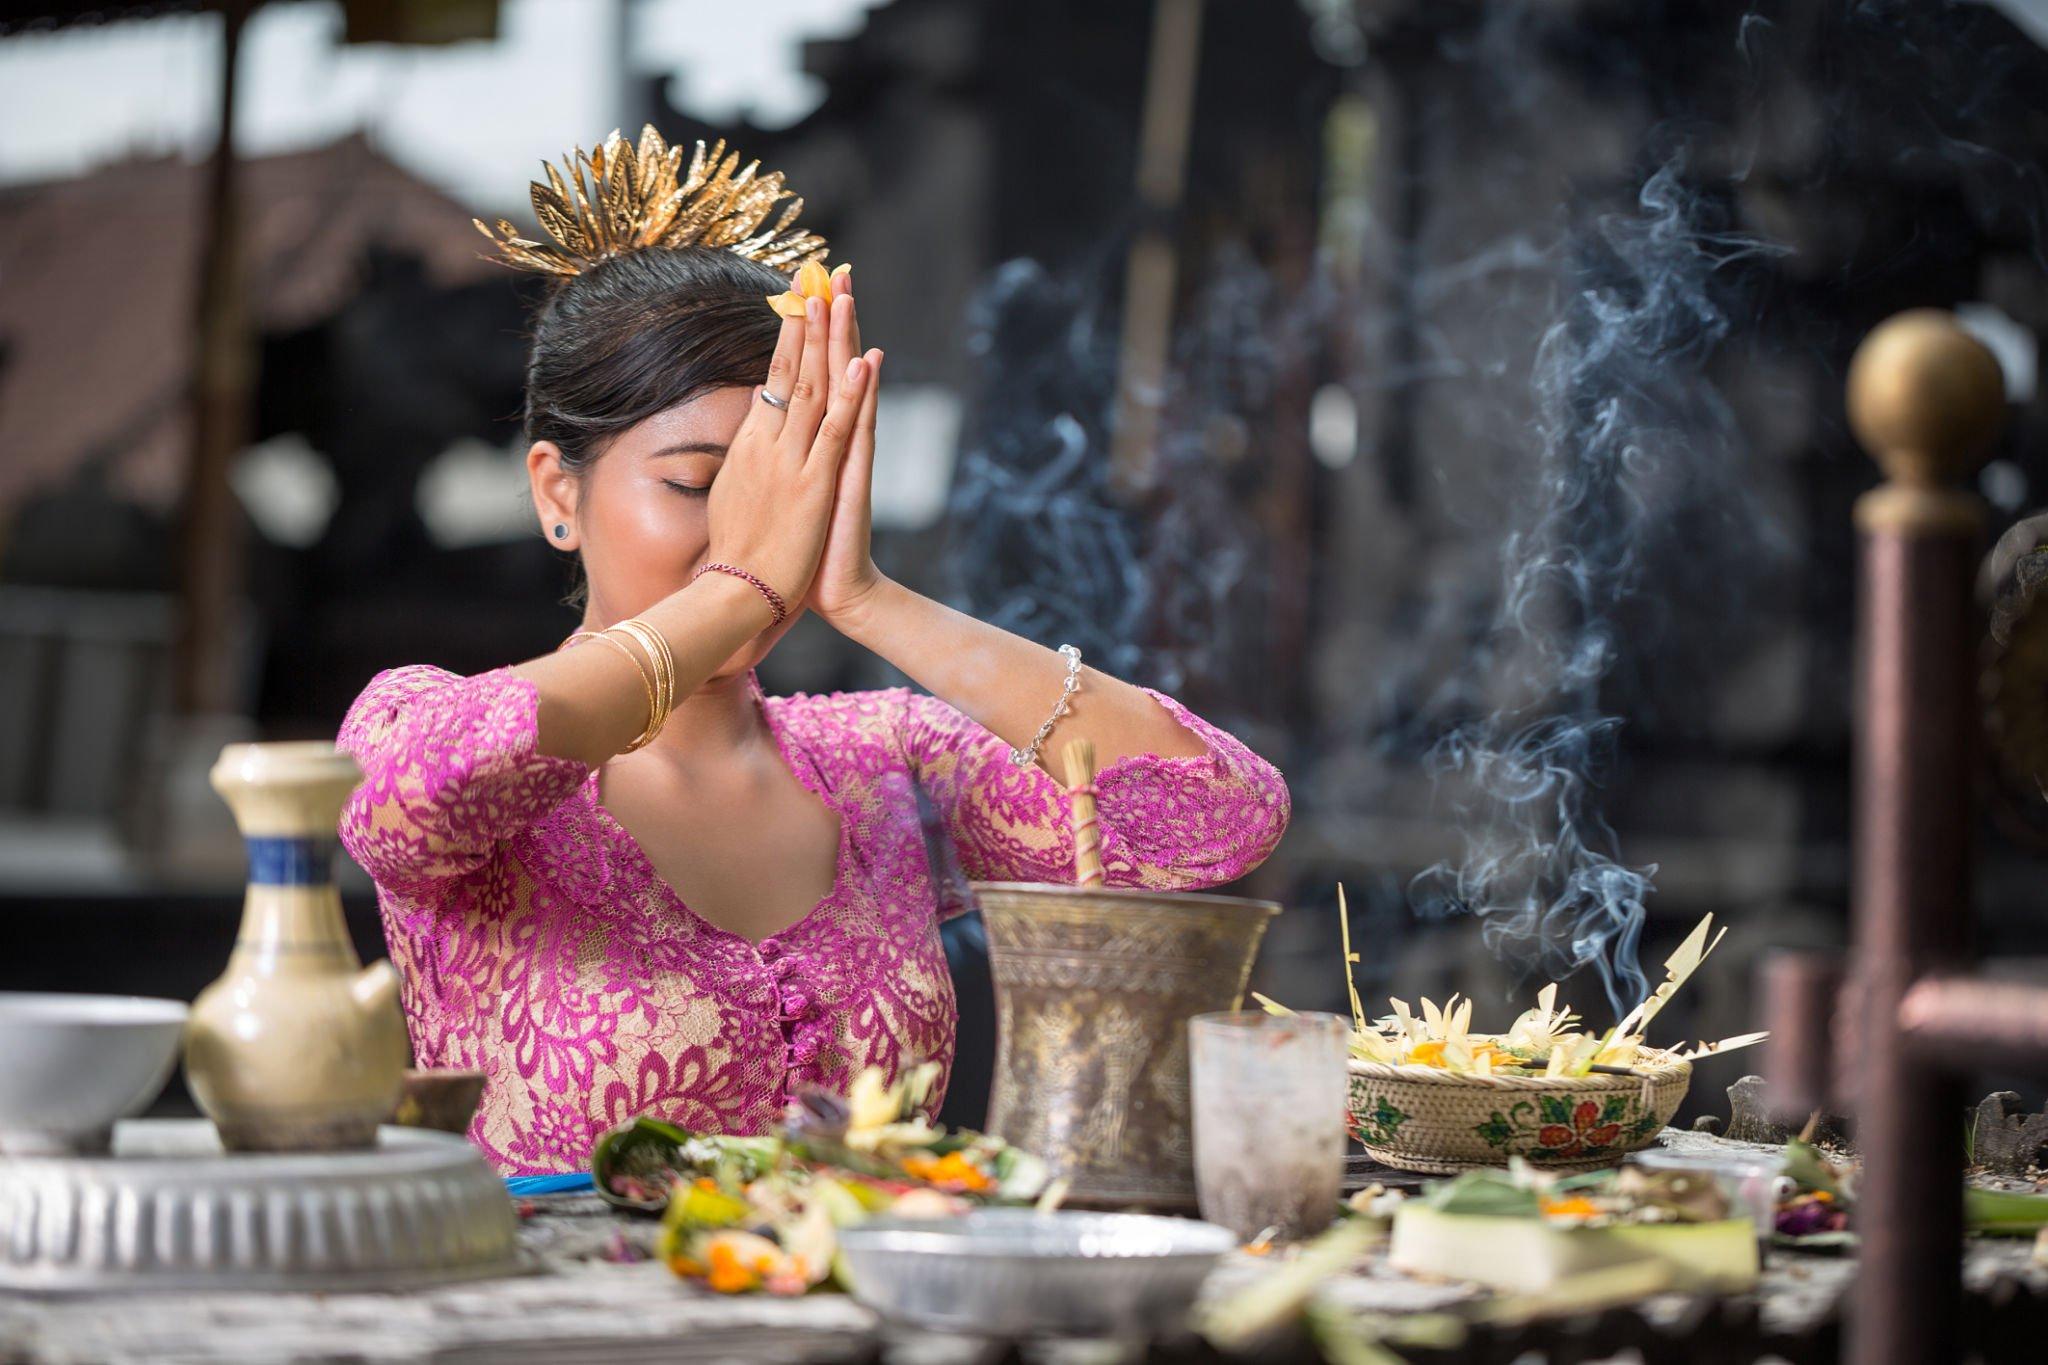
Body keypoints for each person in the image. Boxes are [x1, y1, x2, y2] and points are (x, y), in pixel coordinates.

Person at [335, 128, 1290, 1174]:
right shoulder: (423, 721)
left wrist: (866, 597)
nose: (756, 531)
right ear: (557, 493)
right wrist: (737, 586)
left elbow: (1216, 817)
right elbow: (416, 794)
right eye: (699, 486)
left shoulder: (883, 760)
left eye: (787, 492)